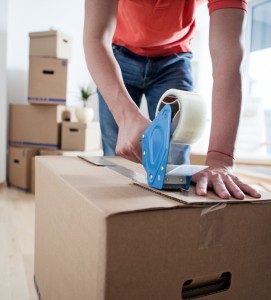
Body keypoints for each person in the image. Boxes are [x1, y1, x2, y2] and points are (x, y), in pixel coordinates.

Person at [83, 0, 261, 200]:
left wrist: (221, 159)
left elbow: (227, 58)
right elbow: (95, 38)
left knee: (177, 159)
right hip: (118, 54)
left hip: (175, 59)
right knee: (118, 151)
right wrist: (126, 118)